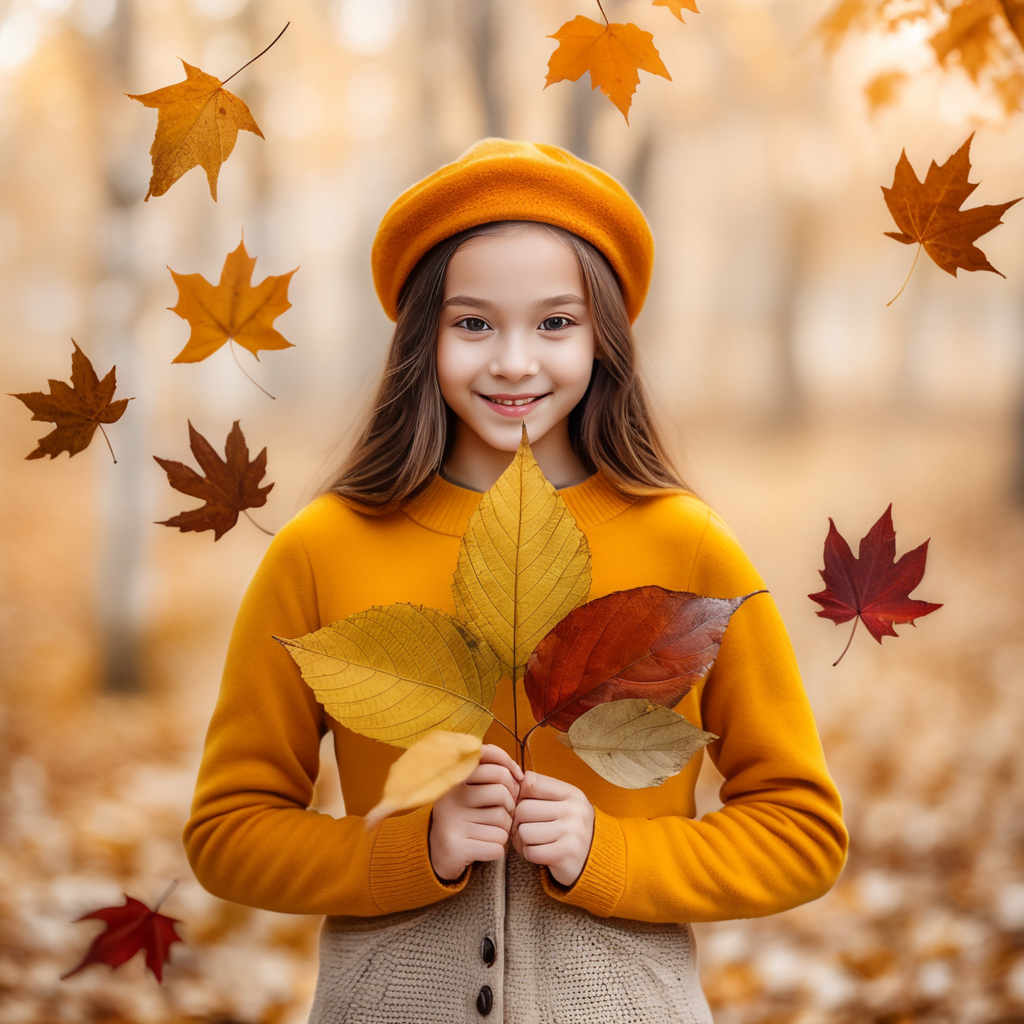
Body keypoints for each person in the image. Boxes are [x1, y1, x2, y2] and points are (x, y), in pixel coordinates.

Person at [183, 139, 848, 1022]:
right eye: (473, 323)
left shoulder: (690, 550)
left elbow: (801, 831)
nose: (513, 362)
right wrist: (408, 850)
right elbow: (228, 831)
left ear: (603, 336)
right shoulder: (322, 549)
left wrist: (605, 854)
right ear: (424, 335)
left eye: (555, 323)